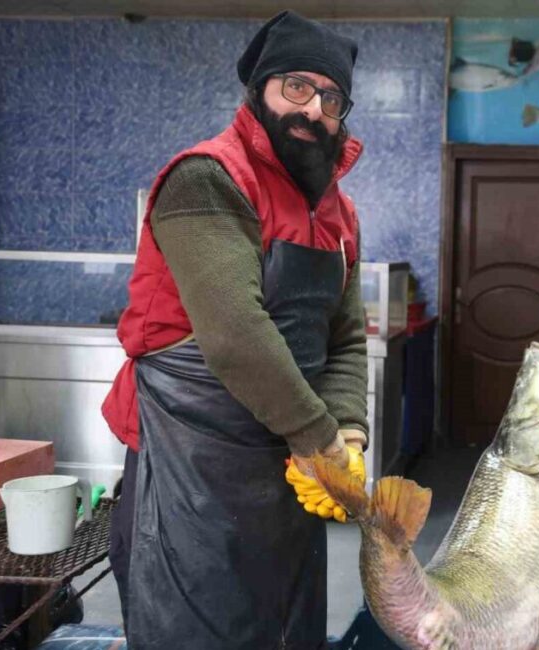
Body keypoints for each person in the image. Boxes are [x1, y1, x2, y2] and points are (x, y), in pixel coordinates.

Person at [100, 10, 368, 649]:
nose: (314, 110)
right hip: (190, 460)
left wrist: (347, 431)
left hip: (287, 467)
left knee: (285, 626)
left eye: (332, 98)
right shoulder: (207, 179)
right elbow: (235, 334)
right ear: (260, 90)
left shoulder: (338, 213)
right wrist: (320, 439)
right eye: (296, 88)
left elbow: (347, 337)